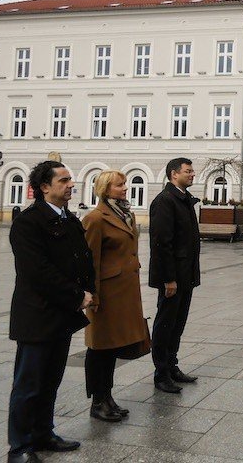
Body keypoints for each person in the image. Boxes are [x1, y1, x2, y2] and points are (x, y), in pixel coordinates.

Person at [7, 160, 95, 462]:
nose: (71, 184)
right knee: (28, 385)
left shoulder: (69, 219)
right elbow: (37, 271)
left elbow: (82, 258)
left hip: (61, 315)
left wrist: (89, 290)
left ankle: (43, 434)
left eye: (71, 179)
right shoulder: (28, 222)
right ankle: (19, 447)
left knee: (50, 381)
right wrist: (76, 295)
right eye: (64, 180)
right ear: (45, 187)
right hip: (37, 316)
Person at [82, 170, 150, 422]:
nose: (125, 188)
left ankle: (107, 397)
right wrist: (93, 296)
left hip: (125, 292)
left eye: (124, 184)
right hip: (106, 295)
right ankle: (97, 401)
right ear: (105, 189)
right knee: (99, 348)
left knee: (111, 349)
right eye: (119, 185)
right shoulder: (95, 219)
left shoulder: (126, 214)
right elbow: (90, 261)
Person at [149, 157, 201, 393]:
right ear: (173, 174)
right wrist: (168, 279)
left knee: (178, 324)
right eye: (188, 171)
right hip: (173, 277)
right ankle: (161, 374)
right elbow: (162, 243)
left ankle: (172, 366)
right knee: (165, 324)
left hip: (185, 274)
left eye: (192, 171)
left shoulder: (183, 199)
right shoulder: (165, 201)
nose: (192, 174)